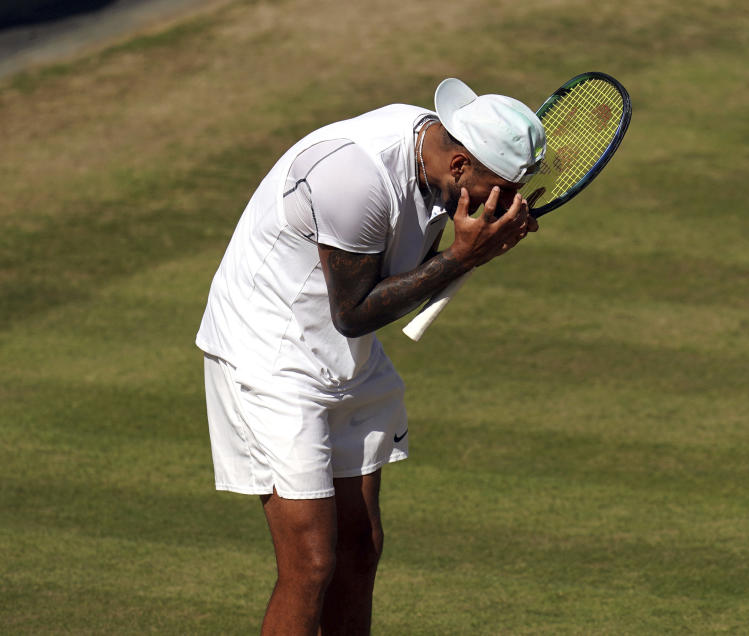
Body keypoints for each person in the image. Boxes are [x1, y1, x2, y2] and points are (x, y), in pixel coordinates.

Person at [196, 77, 546, 635]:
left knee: (361, 549)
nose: (502, 202)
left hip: (346, 355)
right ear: (459, 166)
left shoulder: (436, 156)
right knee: (311, 563)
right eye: (496, 189)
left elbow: (386, 288)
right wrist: (461, 258)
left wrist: (469, 250)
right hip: (270, 354)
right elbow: (354, 311)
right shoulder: (354, 179)